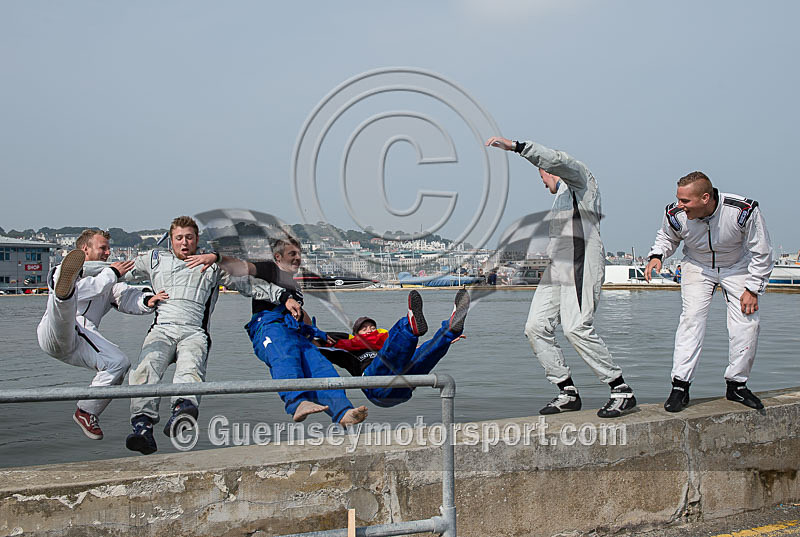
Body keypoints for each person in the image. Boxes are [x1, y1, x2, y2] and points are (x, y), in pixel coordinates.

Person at [486, 136, 636, 418]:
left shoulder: (580, 179)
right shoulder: (560, 199)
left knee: (576, 327)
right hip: (559, 264)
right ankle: (567, 391)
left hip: (581, 257)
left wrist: (518, 147)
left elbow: (558, 160)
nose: (543, 184)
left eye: (542, 177)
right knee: (535, 327)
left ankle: (621, 390)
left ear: (547, 169)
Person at [121, 216, 287, 455]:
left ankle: (182, 410)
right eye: (179, 238)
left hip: (194, 331)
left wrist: (283, 296)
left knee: (190, 366)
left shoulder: (210, 265)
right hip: (162, 328)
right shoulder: (154, 260)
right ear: (171, 240)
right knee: (146, 369)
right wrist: (77, 273)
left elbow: (247, 284)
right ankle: (142, 427)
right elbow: (119, 271)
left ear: (197, 239)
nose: (184, 242)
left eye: (189, 237)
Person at [198, 237, 369, 426]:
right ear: (277, 257)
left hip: (296, 332)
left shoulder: (295, 287)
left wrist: (316, 333)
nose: (297, 258)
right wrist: (217, 257)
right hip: (271, 328)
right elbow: (242, 267)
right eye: (292, 254)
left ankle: (343, 412)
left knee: (321, 366)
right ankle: (296, 402)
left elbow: (300, 313)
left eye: (299, 254)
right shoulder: (270, 269)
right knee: (285, 357)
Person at [644, 171, 773, 412]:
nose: (680, 206)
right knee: (691, 320)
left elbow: (762, 251)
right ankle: (680, 386)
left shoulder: (743, 211)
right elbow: (667, 237)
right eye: (678, 199)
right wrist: (657, 256)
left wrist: (753, 288)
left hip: (737, 265)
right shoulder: (675, 214)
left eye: (685, 201)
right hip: (697, 264)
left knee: (748, 322)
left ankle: (737, 384)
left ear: (705, 198)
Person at [36, 229, 167, 440]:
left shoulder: (110, 280)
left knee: (119, 363)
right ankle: (64, 293)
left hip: (81, 343)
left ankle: (87, 411)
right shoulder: (59, 271)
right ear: (84, 249)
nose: (107, 253)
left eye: (109, 248)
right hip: (55, 332)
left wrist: (147, 301)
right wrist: (111, 274)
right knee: (65, 301)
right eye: (102, 248)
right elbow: (88, 289)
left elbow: (125, 297)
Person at [319, 289, 470, 407]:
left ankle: (450, 330)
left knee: (423, 355)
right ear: (355, 334)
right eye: (364, 329)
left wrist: (445, 342)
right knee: (388, 356)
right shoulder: (348, 349)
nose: (370, 330)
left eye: (372, 327)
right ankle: (409, 326)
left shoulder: (386, 343)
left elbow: (418, 350)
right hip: (375, 386)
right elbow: (319, 343)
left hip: (403, 389)